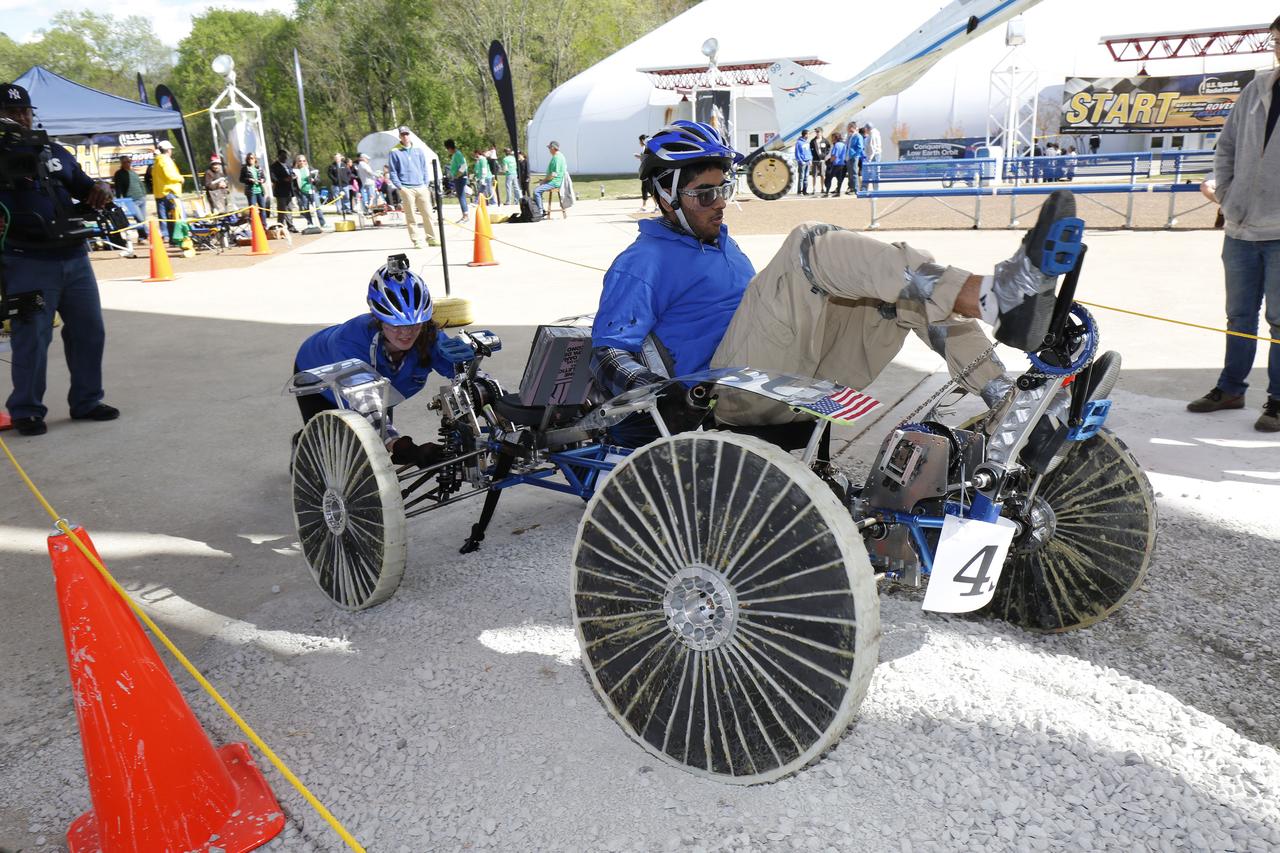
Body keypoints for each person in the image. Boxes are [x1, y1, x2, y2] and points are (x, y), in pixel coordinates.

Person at [590, 121, 1076, 443]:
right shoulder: (643, 261)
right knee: (810, 244)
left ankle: (1007, 402)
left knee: (896, 293)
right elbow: (609, 353)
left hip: (785, 375)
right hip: (727, 395)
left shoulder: (722, 246)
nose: (719, 203)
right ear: (666, 196)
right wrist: (662, 394)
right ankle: (994, 296)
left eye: (725, 189)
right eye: (704, 194)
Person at [0, 83, 120, 436]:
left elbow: (85, 186)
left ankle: (87, 400)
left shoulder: (54, 150)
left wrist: (102, 190)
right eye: (10, 112)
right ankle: (26, 410)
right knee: (32, 335)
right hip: (26, 260)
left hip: (74, 256)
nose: (21, 118)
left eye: (25, 111)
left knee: (89, 330)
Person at [1188, 15, 1280, 433]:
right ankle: (1230, 389)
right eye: (1276, 40)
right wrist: (1227, 195)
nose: (1279, 48)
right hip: (1241, 227)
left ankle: (1278, 400)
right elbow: (1226, 146)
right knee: (1239, 316)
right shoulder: (1256, 89)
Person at [292, 256, 471, 466]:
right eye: (396, 325)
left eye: (415, 324)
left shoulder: (429, 336)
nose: (406, 333)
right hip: (317, 374)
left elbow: (465, 374)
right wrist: (402, 446)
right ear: (379, 319)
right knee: (333, 455)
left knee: (374, 450)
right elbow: (367, 403)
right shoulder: (349, 343)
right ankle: (303, 442)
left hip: (378, 387)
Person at [387, 126, 440, 248]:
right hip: (406, 187)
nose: (405, 136)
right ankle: (416, 240)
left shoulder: (418, 149)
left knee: (428, 214)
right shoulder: (394, 151)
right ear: (399, 136)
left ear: (410, 135)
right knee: (411, 216)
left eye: (407, 134)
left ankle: (431, 238)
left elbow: (424, 168)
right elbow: (393, 171)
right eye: (403, 134)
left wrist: (425, 184)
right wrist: (400, 187)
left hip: (421, 186)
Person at [111, 154, 148, 254]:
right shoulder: (119, 174)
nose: (128, 163)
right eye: (126, 162)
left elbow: (140, 183)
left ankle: (142, 237)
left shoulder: (133, 172)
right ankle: (147, 235)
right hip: (131, 201)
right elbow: (118, 188)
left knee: (143, 219)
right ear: (122, 163)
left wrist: (144, 193)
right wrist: (119, 201)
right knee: (140, 219)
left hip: (141, 198)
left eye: (129, 161)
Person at [151, 139, 184, 244]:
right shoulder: (166, 160)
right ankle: (177, 238)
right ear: (168, 150)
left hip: (160, 193)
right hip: (170, 192)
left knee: (164, 218)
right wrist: (180, 178)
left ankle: (168, 237)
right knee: (175, 217)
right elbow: (169, 175)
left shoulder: (156, 162)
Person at [533, 140, 567, 219]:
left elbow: (554, 174)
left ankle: (540, 212)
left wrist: (544, 181)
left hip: (554, 182)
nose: (549, 150)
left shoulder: (556, 158)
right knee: (538, 189)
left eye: (549, 148)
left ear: (553, 148)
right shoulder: (560, 156)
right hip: (554, 181)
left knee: (536, 191)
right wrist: (544, 180)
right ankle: (541, 209)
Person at [270, 148, 299, 233]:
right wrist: (284, 179)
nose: (285, 158)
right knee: (282, 209)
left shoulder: (288, 165)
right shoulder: (274, 166)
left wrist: (293, 177)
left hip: (289, 190)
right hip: (280, 191)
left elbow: (291, 173)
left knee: (289, 208)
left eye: (286, 156)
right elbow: (273, 178)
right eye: (283, 156)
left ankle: (291, 226)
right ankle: (280, 226)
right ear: (278, 156)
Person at [293, 154, 326, 228]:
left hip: (312, 191)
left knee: (317, 207)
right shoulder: (295, 171)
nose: (302, 162)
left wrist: (314, 180)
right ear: (297, 162)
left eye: (303, 161)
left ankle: (323, 223)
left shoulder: (310, 169)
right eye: (300, 161)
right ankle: (310, 223)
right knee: (306, 208)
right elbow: (294, 184)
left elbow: (318, 179)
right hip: (303, 192)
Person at [238, 152, 268, 227]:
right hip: (251, 192)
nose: (250, 160)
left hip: (260, 191)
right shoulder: (245, 168)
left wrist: (262, 180)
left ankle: (264, 225)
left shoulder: (258, 168)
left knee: (263, 209)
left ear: (255, 159)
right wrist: (249, 179)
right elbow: (241, 179)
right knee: (253, 210)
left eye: (252, 158)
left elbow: (264, 178)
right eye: (248, 158)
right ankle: (254, 226)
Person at [444, 139, 470, 223]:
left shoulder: (458, 154)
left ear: (449, 148)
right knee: (460, 196)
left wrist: (457, 175)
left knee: (461, 196)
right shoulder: (455, 155)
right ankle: (464, 215)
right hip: (458, 178)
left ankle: (465, 216)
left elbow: (463, 166)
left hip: (460, 178)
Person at [823, 131, 847, 197]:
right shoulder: (843, 145)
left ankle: (827, 192)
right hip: (842, 163)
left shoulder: (836, 145)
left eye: (832, 137)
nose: (832, 139)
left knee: (829, 178)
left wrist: (829, 161)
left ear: (835, 138)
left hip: (835, 164)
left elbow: (834, 156)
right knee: (839, 179)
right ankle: (838, 192)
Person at [845, 125, 865, 196]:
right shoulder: (850, 136)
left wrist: (855, 155)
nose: (848, 129)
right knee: (850, 174)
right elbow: (847, 146)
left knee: (854, 173)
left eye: (849, 127)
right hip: (849, 156)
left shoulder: (858, 136)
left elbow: (860, 147)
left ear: (853, 128)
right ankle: (851, 188)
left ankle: (856, 189)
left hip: (854, 157)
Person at [810, 126, 829, 198]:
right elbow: (810, 149)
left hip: (822, 160)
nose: (817, 133)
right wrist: (812, 157)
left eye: (818, 132)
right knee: (814, 175)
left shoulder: (825, 141)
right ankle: (814, 189)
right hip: (815, 160)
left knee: (822, 175)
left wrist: (825, 155)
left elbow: (828, 148)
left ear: (821, 132)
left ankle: (822, 188)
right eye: (816, 132)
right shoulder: (813, 141)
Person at [862, 122, 882, 192]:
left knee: (874, 173)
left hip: (874, 155)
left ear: (867, 129)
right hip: (875, 155)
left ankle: (875, 190)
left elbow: (872, 147)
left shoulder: (872, 134)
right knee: (874, 173)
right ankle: (875, 189)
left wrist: (869, 159)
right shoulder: (874, 133)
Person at [636, 134, 653, 210]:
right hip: (645, 171)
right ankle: (644, 205)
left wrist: (639, 157)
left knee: (649, 189)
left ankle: (657, 205)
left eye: (640, 141)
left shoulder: (646, 148)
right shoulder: (645, 148)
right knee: (644, 189)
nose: (639, 142)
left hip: (647, 171)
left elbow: (646, 159)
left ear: (642, 141)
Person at [793, 129, 812, 195]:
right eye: (808, 134)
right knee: (801, 177)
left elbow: (809, 151)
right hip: (802, 162)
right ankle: (799, 191)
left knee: (806, 177)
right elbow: (797, 153)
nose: (809, 135)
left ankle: (805, 191)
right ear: (805, 134)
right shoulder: (798, 143)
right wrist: (801, 161)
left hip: (808, 161)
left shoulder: (807, 142)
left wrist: (810, 159)